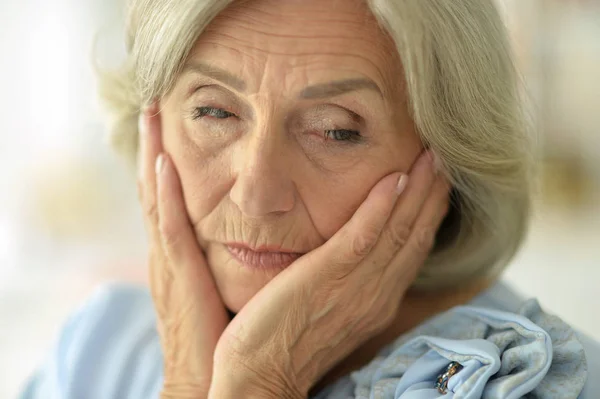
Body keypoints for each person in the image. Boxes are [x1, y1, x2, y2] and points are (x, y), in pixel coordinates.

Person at [20, 0, 599, 397]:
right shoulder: (99, 344)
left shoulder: (527, 380)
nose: (255, 194)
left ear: (444, 154)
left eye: (335, 128)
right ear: (152, 126)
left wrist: (259, 384)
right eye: (214, 112)